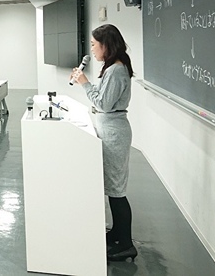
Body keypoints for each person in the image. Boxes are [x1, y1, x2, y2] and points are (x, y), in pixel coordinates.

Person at [70, 24, 136, 262]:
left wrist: (84, 83)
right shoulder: (112, 69)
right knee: (112, 187)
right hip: (110, 130)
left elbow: (105, 104)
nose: (92, 49)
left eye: (94, 45)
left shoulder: (116, 70)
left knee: (117, 191)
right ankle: (117, 233)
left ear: (107, 45)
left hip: (114, 134)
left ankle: (126, 244)